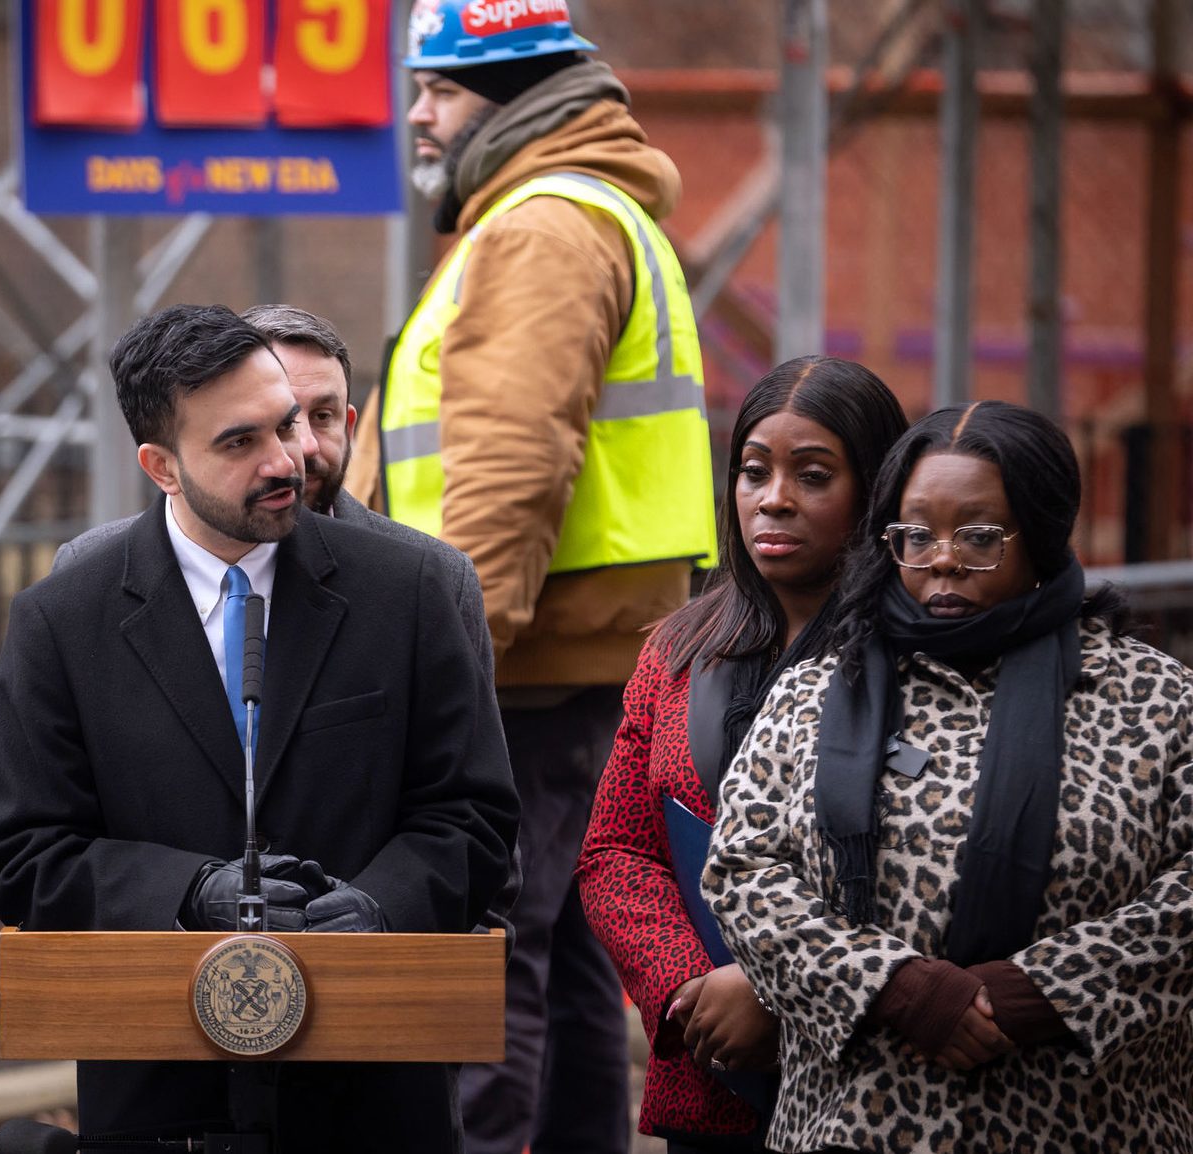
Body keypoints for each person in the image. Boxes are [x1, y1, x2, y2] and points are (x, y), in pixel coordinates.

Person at [0, 304, 518, 1150]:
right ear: (161, 466)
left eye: (288, 424)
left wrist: (381, 906)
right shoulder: (62, 620)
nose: (286, 461)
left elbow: (475, 816)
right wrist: (188, 892)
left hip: (373, 1094)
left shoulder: (409, 589)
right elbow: (25, 856)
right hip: (160, 1098)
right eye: (239, 442)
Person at [348, 5, 719, 1150]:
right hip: (571, 652)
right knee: (562, 957)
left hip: (520, 663)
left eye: (440, 90)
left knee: (484, 952)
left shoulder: (540, 228)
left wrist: (449, 665)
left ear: (517, 95)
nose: (417, 114)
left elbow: (509, 469)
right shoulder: (577, 212)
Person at [707, 400, 1193, 1152]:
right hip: (858, 1124)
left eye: (978, 536)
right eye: (915, 535)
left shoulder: (1154, 697)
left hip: (1089, 1122)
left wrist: (1042, 992)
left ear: (1039, 534)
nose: (942, 559)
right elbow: (742, 873)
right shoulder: (818, 690)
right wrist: (896, 988)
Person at [576, 357, 908, 1152]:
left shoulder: (922, 659)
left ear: (875, 491)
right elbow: (616, 852)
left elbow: (924, 869)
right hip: (710, 1066)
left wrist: (778, 991)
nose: (774, 498)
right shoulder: (679, 649)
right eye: (754, 472)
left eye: (813, 475)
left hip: (870, 1080)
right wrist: (694, 991)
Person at [54, 303, 489, 670]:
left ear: (350, 425)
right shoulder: (86, 574)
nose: (300, 449)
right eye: (247, 436)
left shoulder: (429, 579)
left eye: (322, 417)